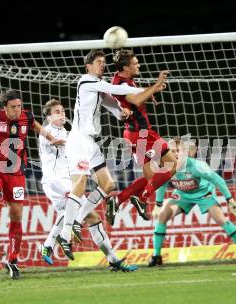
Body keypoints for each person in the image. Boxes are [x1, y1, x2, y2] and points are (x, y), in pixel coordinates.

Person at [59, 50, 167, 260]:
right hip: (79, 140)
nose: (103, 66)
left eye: (104, 63)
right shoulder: (86, 81)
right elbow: (116, 88)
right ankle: (64, 234)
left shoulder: (98, 88)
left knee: (108, 185)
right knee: (79, 186)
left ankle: (76, 222)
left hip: (90, 143)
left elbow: (113, 104)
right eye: (99, 62)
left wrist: (122, 112)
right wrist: (150, 87)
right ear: (88, 66)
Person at [0, 89, 63, 279]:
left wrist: (54, 139)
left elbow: (38, 127)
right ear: (4, 107)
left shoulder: (27, 117)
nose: (17, 110)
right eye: (13, 107)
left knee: (16, 215)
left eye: (19, 106)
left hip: (15, 174)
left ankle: (12, 260)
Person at [38, 99, 138, 271]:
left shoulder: (66, 132)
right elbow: (58, 142)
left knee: (92, 218)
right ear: (47, 117)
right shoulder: (47, 132)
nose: (61, 114)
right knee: (75, 209)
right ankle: (54, 240)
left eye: (62, 111)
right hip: (56, 180)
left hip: (68, 180)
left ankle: (113, 259)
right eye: (56, 112)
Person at [148, 137, 236, 266]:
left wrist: (230, 201)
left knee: (221, 220)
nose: (176, 154)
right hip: (182, 195)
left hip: (203, 194)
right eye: (172, 151)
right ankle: (156, 256)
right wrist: (158, 205)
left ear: (186, 152)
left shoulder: (198, 166)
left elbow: (218, 181)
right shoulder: (165, 167)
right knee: (162, 216)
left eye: (179, 150)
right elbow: (161, 184)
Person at [106, 49, 176, 225]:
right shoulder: (121, 84)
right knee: (173, 164)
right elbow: (135, 99)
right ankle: (142, 198)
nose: (139, 65)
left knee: (151, 176)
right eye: (135, 63)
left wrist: (150, 90)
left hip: (134, 133)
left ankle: (118, 200)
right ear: (125, 67)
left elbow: (135, 95)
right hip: (142, 133)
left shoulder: (122, 79)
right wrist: (156, 83)